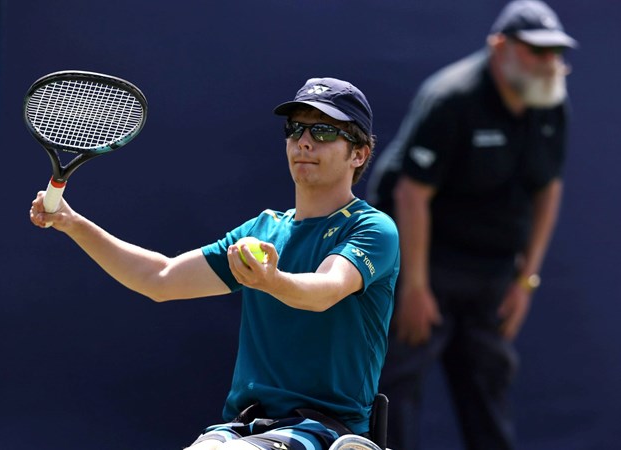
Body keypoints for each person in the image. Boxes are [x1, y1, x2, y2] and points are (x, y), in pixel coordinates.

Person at [30, 77, 400, 450]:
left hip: (324, 430)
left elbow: (325, 291)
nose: (303, 142)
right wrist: (72, 224)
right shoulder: (264, 229)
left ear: (359, 154)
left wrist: (272, 280)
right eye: (295, 129)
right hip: (244, 428)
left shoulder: (372, 228)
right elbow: (160, 279)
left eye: (322, 131)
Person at [364, 1, 577, 449]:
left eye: (555, 52)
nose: (549, 63)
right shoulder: (451, 97)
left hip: (494, 273)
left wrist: (526, 279)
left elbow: (548, 190)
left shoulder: (551, 102)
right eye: (537, 51)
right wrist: (415, 286)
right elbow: (410, 193)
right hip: (428, 264)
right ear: (499, 47)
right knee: (397, 388)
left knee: (489, 385)